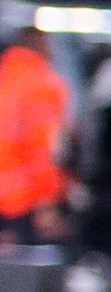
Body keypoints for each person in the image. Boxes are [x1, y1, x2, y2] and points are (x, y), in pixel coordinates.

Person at [0, 18, 70, 237]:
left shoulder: (5, 78)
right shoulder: (44, 86)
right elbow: (44, 148)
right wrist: (47, 201)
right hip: (23, 202)